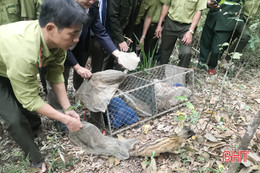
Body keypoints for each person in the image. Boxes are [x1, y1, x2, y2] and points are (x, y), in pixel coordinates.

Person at [0, 0, 86, 172]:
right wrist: (64, 119)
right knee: (14, 118)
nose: (76, 39)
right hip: (8, 62)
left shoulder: (58, 42)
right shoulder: (23, 52)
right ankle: (35, 159)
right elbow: (30, 99)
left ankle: (34, 126)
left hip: (9, 63)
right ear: (51, 29)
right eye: (73, 34)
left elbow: (55, 74)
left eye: (79, 33)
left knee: (26, 108)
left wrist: (67, 107)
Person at [197, 0, 245, 75]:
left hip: (227, 21)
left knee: (216, 49)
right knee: (205, 41)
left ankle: (211, 66)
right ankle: (201, 63)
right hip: (213, 15)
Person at [155, 0, 207, 68]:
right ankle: (161, 72)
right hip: (171, 22)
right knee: (164, 50)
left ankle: (180, 74)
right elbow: (166, 5)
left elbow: (198, 11)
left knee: (186, 53)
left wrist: (190, 31)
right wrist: (159, 25)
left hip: (187, 27)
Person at [104, 0, 142, 70]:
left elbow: (132, 18)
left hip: (123, 32)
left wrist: (128, 36)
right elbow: (112, 17)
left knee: (121, 62)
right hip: (109, 32)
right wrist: (120, 40)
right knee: (107, 60)